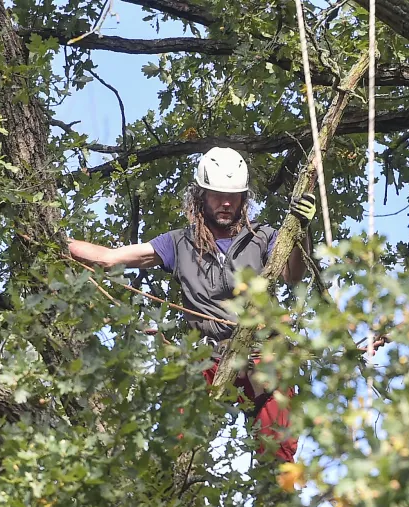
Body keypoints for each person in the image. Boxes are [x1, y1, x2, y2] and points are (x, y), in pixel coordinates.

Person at [68, 147, 316, 464]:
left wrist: (300, 230)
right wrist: (58, 240)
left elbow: (293, 274)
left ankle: (276, 493)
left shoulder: (263, 237)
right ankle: (175, 488)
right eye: (217, 195)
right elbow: (108, 258)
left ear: (243, 198)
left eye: (233, 196)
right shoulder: (178, 243)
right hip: (211, 359)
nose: (225, 203)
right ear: (201, 196)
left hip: (264, 354)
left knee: (277, 451)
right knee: (178, 439)